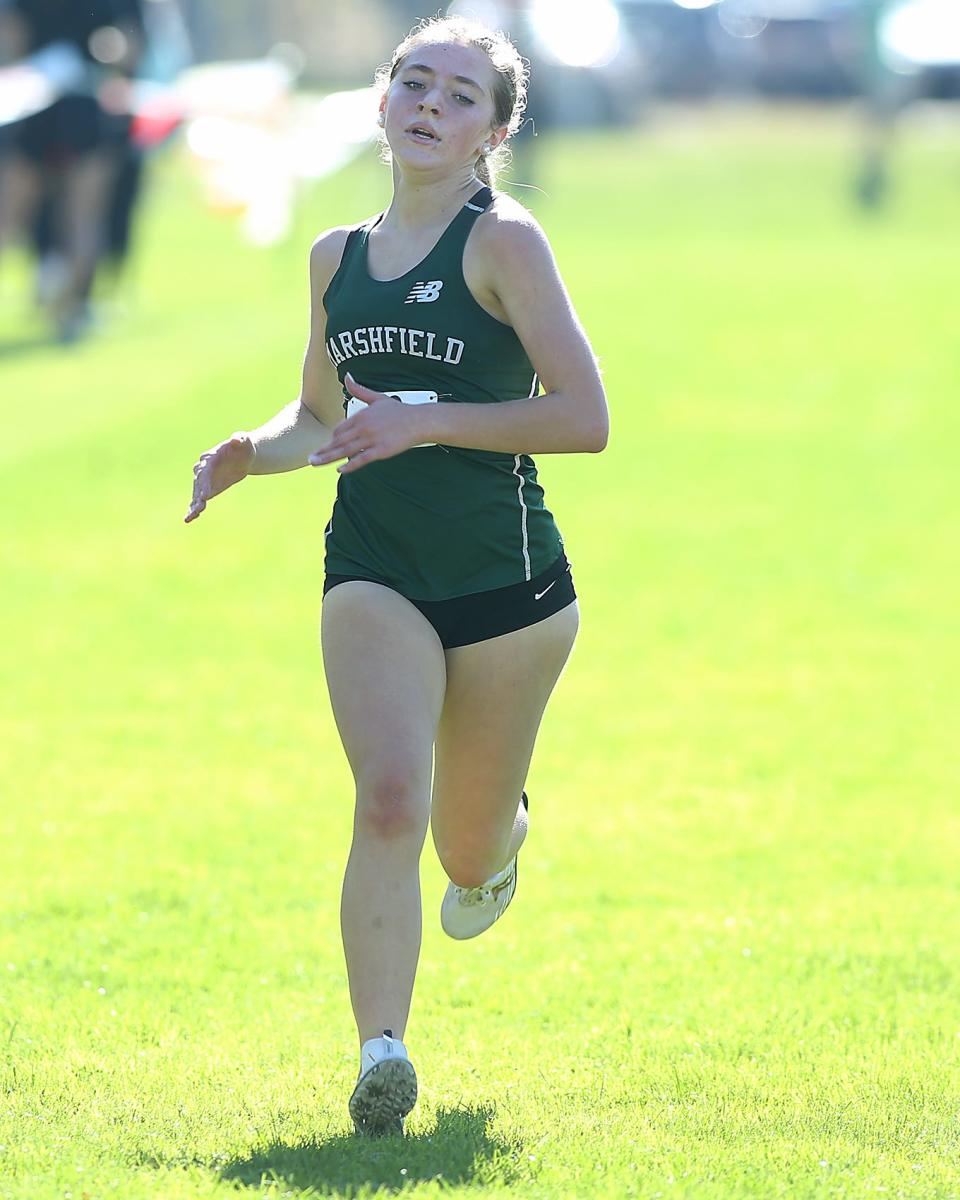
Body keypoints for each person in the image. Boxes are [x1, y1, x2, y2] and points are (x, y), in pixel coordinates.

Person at [185, 15, 608, 1138]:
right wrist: (249, 452)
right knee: (387, 795)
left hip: (506, 582)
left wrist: (429, 425)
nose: (429, 104)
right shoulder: (336, 255)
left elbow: (585, 416)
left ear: (493, 131)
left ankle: (504, 835)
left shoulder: (503, 242)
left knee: (462, 847)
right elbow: (322, 416)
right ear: (380, 101)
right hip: (373, 564)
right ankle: (383, 1052)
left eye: (459, 95)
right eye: (412, 82)